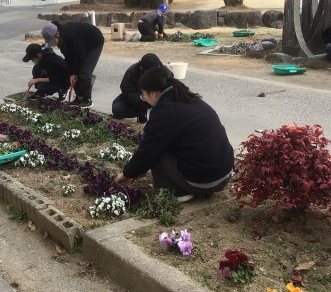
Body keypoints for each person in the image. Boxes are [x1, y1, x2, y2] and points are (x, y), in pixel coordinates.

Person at [113, 68, 234, 202]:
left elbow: (148, 152)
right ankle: (192, 186)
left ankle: (177, 192)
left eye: (143, 96)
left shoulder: (163, 111)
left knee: (158, 149)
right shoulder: (187, 98)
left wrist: (127, 173)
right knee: (167, 141)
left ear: (153, 93)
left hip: (203, 181)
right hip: (225, 174)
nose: (144, 100)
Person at [49, 20, 105, 108]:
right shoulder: (62, 39)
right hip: (83, 43)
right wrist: (72, 73)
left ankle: (87, 99)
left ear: (57, 34)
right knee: (75, 73)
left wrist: (75, 72)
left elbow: (80, 57)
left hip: (94, 42)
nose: (52, 44)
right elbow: (68, 58)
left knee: (84, 72)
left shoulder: (71, 34)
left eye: (51, 41)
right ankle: (79, 98)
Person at [112, 53, 173, 124]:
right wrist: (139, 98)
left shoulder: (166, 73)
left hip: (156, 101)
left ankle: (152, 114)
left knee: (168, 114)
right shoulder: (133, 71)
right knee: (117, 109)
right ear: (141, 68)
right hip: (139, 101)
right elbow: (126, 89)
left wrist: (157, 99)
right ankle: (142, 112)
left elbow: (169, 92)